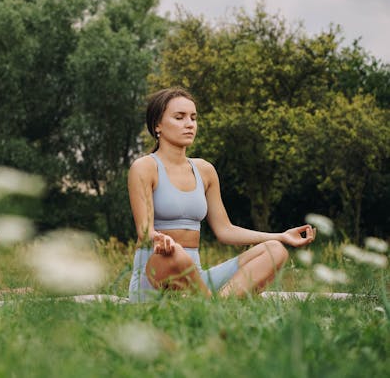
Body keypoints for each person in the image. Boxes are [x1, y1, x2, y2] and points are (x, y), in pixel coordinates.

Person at [127, 87, 315, 302]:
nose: (189, 124)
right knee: (175, 253)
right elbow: (144, 232)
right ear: (157, 125)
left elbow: (225, 230)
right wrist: (161, 239)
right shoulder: (144, 167)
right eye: (179, 117)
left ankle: (218, 305)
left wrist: (280, 236)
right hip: (155, 275)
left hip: (196, 280)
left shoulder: (205, 170)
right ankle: (209, 305)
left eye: (193, 118)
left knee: (276, 251)